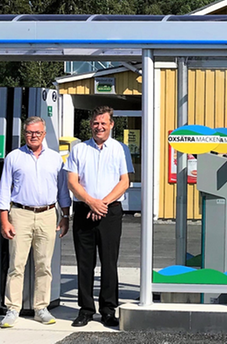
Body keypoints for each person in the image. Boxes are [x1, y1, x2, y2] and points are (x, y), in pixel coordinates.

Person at [0, 116, 72, 328]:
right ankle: (12, 309)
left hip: (48, 214)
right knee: (16, 265)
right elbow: (4, 190)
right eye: (29, 132)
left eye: (37, 132)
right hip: (20, 214)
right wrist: (4, 220)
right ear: (25, 134)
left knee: (44, 265)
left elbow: (63, 191)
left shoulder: (55, 159)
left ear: (44, 134)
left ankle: (41, 308)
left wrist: (65, 216)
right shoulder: (14, 157)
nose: (33, 136)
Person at [65, 106, 134, 328]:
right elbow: (72, 182)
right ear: (90, 125)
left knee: (109, 262)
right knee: (85, 263)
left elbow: (125, 182)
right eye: (95, 123)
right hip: (85, 210)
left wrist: (102, 203)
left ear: (111, 125)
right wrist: (91, 202)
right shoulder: (78, 150)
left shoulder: (120, 149)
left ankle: (108, 310)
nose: (99, 127)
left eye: (103, 123)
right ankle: (85, 310)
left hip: (110, 212)